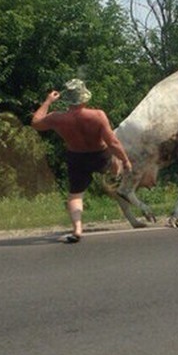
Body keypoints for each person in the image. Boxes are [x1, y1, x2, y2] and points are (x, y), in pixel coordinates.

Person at [32, 79, 132, 243]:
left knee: (75, 196)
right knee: (114, 158)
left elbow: (35, 122)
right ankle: (115, 178)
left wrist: (48, 101)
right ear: (84, 98)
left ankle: (77, 229)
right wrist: (125, 160)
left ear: (67, 99)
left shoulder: (56, 118)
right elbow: (113, 142)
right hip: (100, 155)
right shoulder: (98, 115)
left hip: (77, 157)